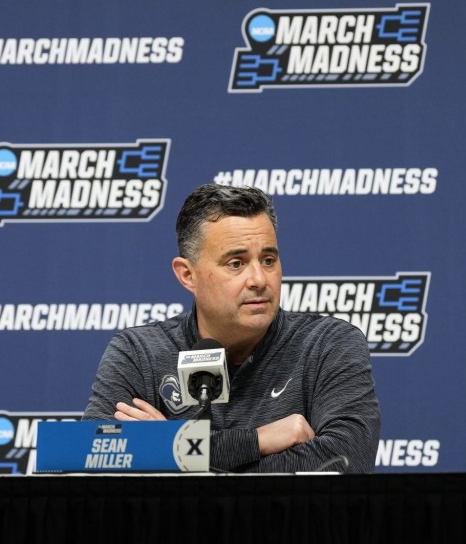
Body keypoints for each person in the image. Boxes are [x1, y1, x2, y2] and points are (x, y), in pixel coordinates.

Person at [83, 183, 381, 473]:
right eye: (236, 263)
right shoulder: (139, 353)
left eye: (268, 260)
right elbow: (91, 453)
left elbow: (345, 461)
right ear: (188, 275)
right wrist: (258, 440)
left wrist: (171, 449)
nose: (259, 280)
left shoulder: (327, 344)